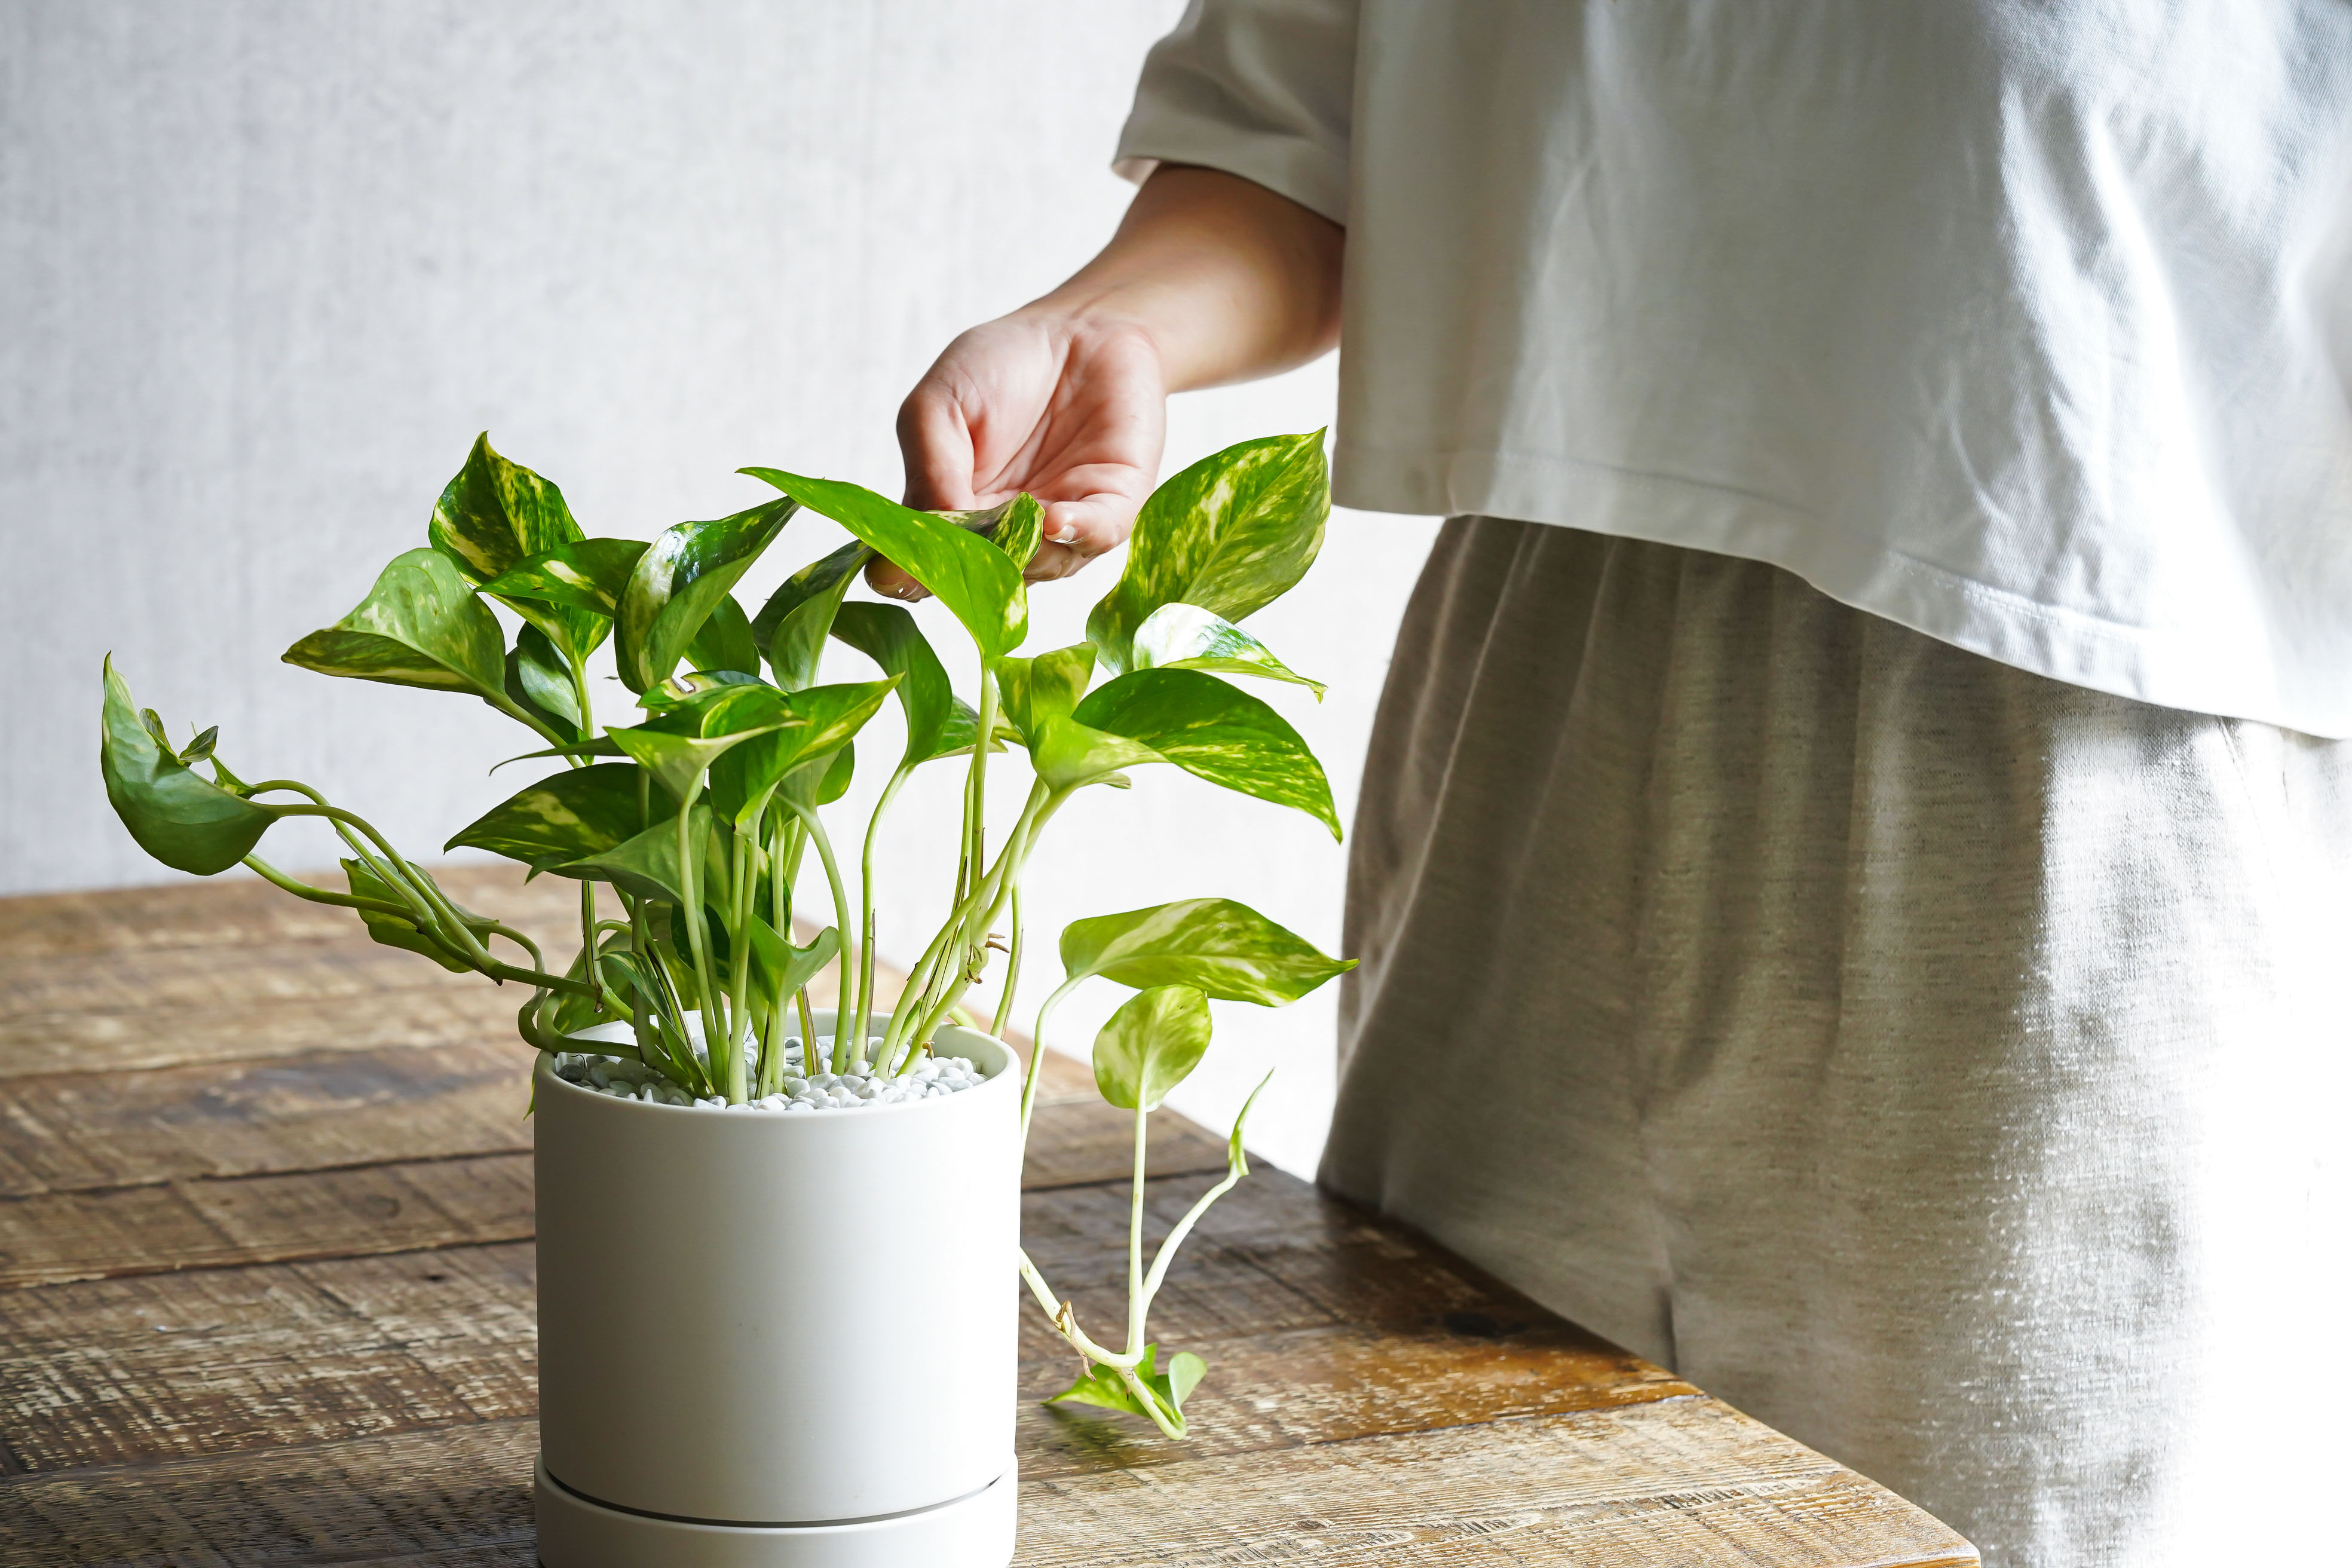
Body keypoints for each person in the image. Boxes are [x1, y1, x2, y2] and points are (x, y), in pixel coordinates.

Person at [881, 6, 2352, 1564]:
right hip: (1544, 689)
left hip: (2076, 756)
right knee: (1446, 1506)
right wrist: (1106, 326)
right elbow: (1312, 124)